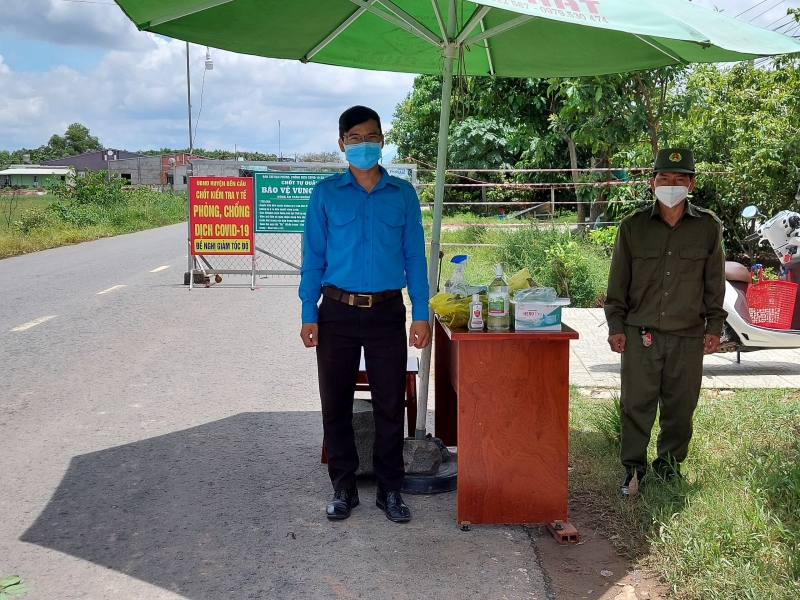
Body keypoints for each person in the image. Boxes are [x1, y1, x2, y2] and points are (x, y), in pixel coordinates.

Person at [299, 105, 431, 522]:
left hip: (387, 311)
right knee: (334, 402)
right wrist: (308, 312)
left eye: (370, 136)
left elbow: (415, 258)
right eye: (354, 138)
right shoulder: (325, 194)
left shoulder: (403, 194)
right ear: (341, 144)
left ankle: (391, 490)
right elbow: (313, 258)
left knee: (389, 404)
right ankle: (343, 488)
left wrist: (421, 313)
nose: (362, 144)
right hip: (335, 311)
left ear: (382, 141)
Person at [604, 148, 726, 496]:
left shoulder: (707, 227)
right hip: (641, 334)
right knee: (636, 404)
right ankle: (633, 470)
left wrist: (714, 327)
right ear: (651, 181)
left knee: (680, 407)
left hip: (688, 335)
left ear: (691, 183)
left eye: (680, 179)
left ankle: (670, 468)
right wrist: (616, 327)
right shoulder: (633, 227)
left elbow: (714, 283)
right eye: (664, 178)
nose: (671, 185)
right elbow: (618, 285)